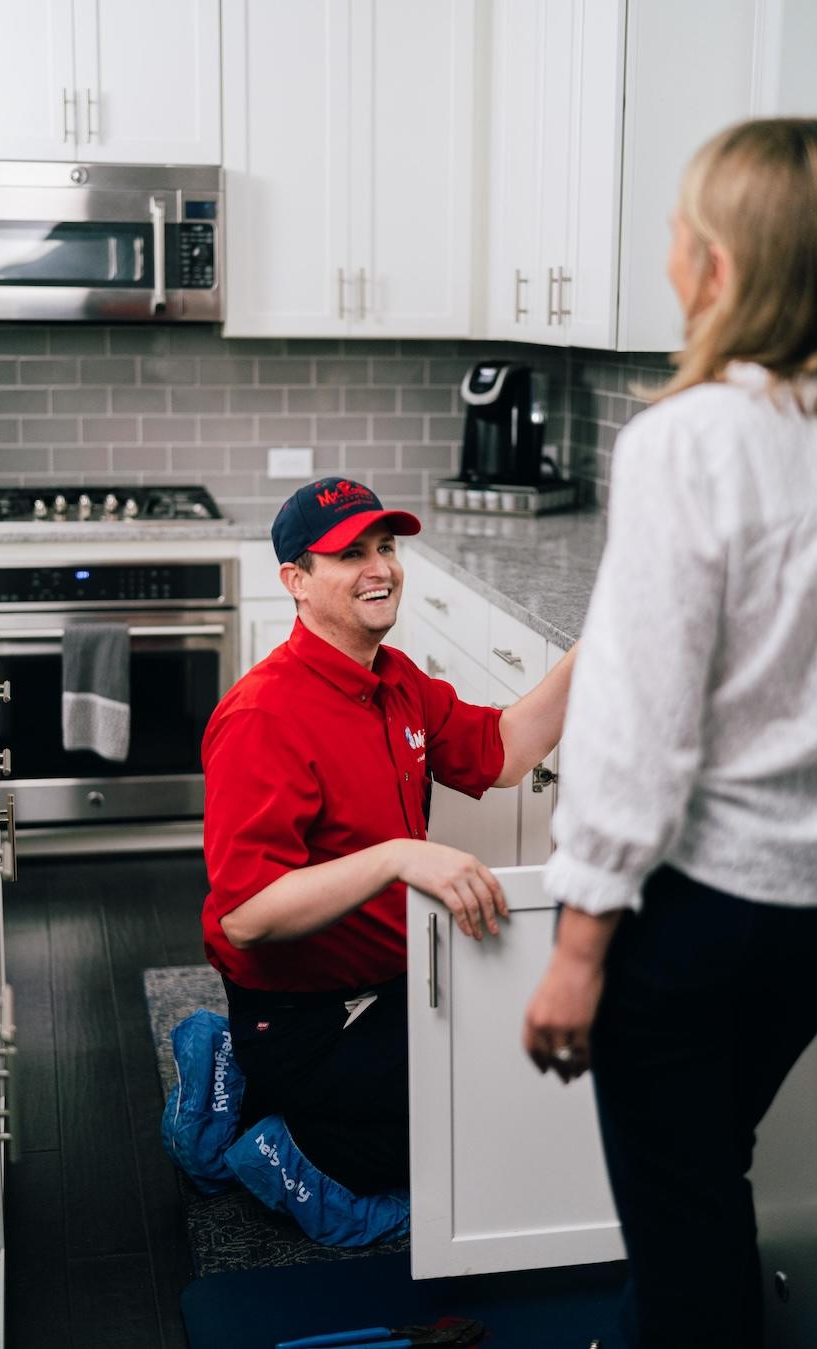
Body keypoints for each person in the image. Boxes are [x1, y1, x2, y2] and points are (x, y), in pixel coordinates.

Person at [523, 117, 817, 1349]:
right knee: (707, 1172)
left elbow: (638, 718)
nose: (668, 256)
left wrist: (577, 944)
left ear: (720, 263)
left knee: (683, 1226)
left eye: (677, 231)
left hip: (697, 904)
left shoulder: (693, 438)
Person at [202, 476, 578, 1197]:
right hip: (306, 1021)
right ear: (297, 581)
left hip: (392, 984)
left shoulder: (393, 680)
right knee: (479, 1139)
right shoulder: (263, 718)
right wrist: (400, 858)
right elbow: (245, 916)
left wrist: (591, 654)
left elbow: (501, 750)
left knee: (520, 1082)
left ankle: (250, 1089)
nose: (381, 568)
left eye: (386, 546)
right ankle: (275, 1133)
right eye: (350, 553)